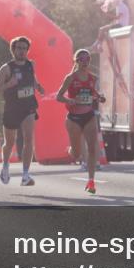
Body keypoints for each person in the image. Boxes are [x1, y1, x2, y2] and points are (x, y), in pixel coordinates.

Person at [0, 36, 45, 186]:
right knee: (9, 143)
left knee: (29, 139)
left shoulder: (30, 65)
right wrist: (9, 83)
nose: (22, 51)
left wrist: (38, 87)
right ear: (13, 49)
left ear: (27, 50)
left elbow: (33, 80)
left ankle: (25, 175)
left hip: (28, 107)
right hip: (12, 109)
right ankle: (5, 166)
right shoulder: (6, 68)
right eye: (19, 48)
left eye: (24, 48)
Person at [55, 49, 106, 194]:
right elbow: (58, 96)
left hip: (89, 116)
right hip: (74, 119)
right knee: (77, 154)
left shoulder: (93, 78)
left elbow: (93, 93)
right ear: (76, 61)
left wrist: (100, 97)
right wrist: (70, 100)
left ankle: (91, 181)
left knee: (91, 148)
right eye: (81, 59)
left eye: (87, 59)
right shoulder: (70, 78)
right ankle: (72, 150)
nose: (84, 62)